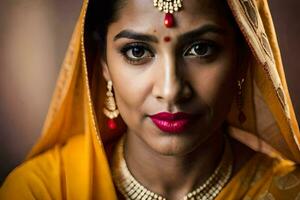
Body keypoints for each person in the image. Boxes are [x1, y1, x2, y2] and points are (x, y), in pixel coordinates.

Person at [1, 0, 300, 199]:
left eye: (200, 49)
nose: (170, 90)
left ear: (242, 58)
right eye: (137, 51)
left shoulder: (286, 191)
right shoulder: (44, 191)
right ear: (103, 63)